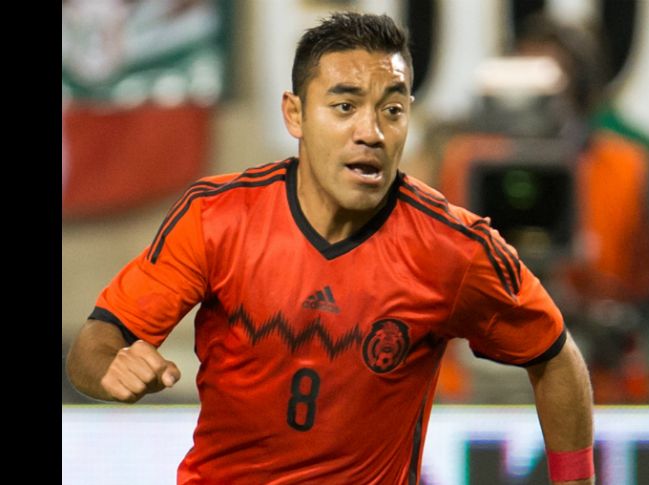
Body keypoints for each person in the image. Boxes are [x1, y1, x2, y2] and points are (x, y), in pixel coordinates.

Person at [66, 12, 595, 485]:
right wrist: (109, 369)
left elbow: (555, 357)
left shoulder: (454, 249)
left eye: (392, 110)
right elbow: (95, 345)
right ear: (294, 115)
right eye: (345, 106)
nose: (371, 132)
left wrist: (575, 481)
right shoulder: (216, 218)